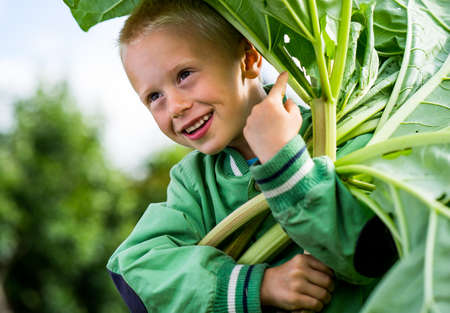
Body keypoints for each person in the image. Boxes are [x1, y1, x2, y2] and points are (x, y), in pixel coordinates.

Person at [107, 1, 397, 312]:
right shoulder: (193, 183)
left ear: (248, 58)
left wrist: (283, 162)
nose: (175, 106)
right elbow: (133, 273)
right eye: (154, 96)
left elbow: (374, 253)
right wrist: (259, 286)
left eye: (184, 75)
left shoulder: (343, 134)